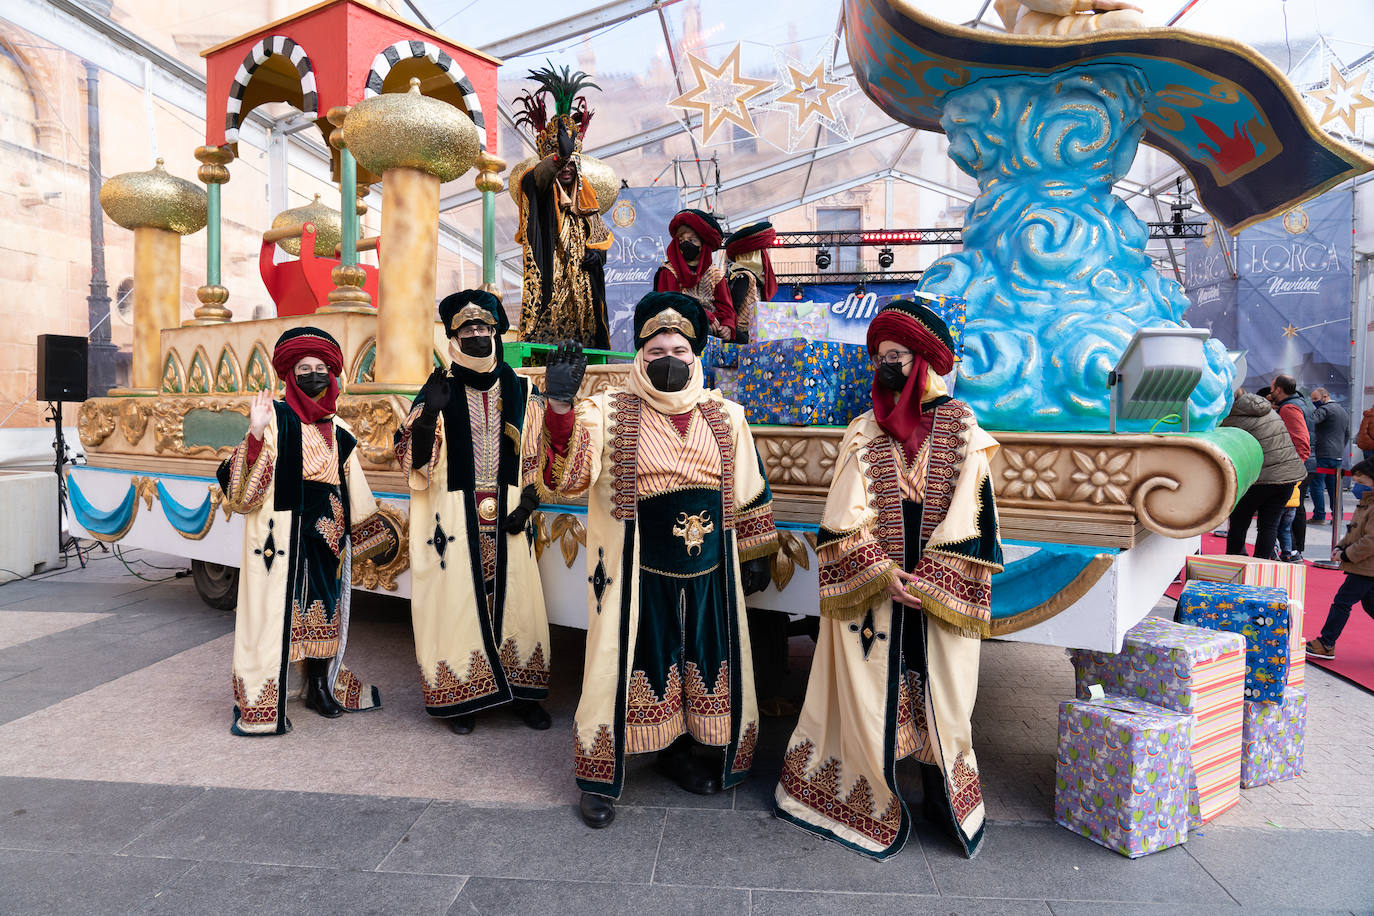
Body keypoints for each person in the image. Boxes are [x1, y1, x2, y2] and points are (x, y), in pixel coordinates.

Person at [536, 291, 779, 829]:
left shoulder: (725, 414)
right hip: (635, 569)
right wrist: (559, 409)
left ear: (696, 355)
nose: (667, 358)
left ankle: (680, 752)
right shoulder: (607, 410)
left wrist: (757, 547)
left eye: (678, 349)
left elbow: (747, 485)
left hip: (711, 570)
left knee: (701, 660)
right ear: (638, 357)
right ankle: (600, 775)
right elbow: (566, 479)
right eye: (654, 351)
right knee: (619, 666)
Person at [774, 299, 1004, 860]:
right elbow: (842, 514)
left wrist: (930, 581)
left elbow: (975, 515)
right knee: (877, 684)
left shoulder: (966, 429)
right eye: (880, 356)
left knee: (938, 686)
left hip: (936, 577)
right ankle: (871, 788)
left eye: (898, 355)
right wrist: (879, 572)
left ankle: (937, 791)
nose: (887, 366)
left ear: (924, 360)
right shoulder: (862, 430)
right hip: (880, 580)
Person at [218, 327, 395, 736]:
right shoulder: (277, 418)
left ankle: (318, 686)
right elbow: (241, 492)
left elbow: (353, 481)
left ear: (332, 375)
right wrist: (257, 433)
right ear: (289, 375)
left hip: (327, 535)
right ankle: (268, 691)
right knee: (276, 613)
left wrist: (368, 535)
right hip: (282, 535)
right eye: (304, 368)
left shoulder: (339, 427)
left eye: (320, 369)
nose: (313, 375)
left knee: (325, 610)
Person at [394, 290, 551, 735]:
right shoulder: (438, 386)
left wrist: (529, 502)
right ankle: (460, 696)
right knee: (457, 605)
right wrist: (427, 419)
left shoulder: (522, 388)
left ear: (498, 333)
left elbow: (539, 454)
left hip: (509, 515)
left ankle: (524, 694)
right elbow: (411, 462)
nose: (478, 335)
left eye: (485, 328)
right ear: (453, 336)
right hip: (452, 517)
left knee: (517, 604)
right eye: (468, 330)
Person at [513, 64, 613, 348]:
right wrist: (558, 157)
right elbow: (537, 178)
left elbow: (599, 237)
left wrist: (597, 259)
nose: (566, 168)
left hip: (582, 293)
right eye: (562, 164)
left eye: (571, 163)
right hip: (552, 284)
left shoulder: (586, 197)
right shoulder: (541, 190)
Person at [1220, 388, 1305, 561]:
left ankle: (1235, 562)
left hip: (1258, 479)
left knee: (1239, 522)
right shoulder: (1269, 411)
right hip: (1286, 477)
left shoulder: (1231, 418)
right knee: (1269, 525)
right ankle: (1260, 565)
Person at [1306, 459, 1374, 660]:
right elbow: (1355, 532)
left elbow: (1370, 541)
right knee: (1369, 604)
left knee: (1342, 602)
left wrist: (1346, 554)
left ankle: (1326, 643)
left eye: (1360, 478)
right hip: (1363, 564)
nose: (1357, 483)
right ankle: (1326, 643)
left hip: (1366, 566)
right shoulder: (1367, 502)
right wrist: (1341, 546)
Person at [654, 209, 736, 340]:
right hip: (678, 331)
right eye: (681, 240)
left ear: (703, 244)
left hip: (712, 330)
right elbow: (669, 304)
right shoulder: (669, 271)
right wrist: (704, 315)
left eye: (692, 240)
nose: (685, 244)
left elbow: (727, 309)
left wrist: (727, 326)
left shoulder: (715, 274)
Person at [723, 221, 779, 344]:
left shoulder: (751, 278)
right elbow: (732, 310)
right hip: (743, 339)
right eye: (760, 252)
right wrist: (744, 341)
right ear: (752, 254)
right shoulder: (744, 276)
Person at [1308, 387, 1350, 523]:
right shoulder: (1343, 411)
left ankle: (1319, 516)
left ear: (1325, 396)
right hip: (1337, 455)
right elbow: (1347, 433)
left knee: (1317, 485)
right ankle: (1338, 516)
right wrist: (1339, 448)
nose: (1314, 402)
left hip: (1323, 453)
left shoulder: (1324, 410)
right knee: (1334, 489)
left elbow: (1311, 421)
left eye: (1315, 399)